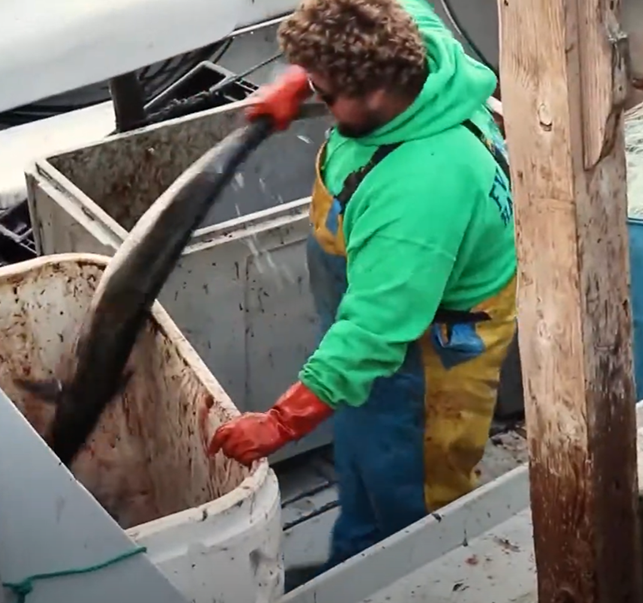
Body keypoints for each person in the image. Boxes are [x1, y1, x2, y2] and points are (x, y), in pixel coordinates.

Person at [206, 0, 516, 569]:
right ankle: (355, 561)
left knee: (414, 505)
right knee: (362, 461)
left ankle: (411, 574)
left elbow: (372, 333)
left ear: (374, 92)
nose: (316, 104)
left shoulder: (419, 189)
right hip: (384, 340)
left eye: (325, 95)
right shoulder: (410, 45)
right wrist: (299, 78)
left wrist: (278, 425)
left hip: (427, 366)